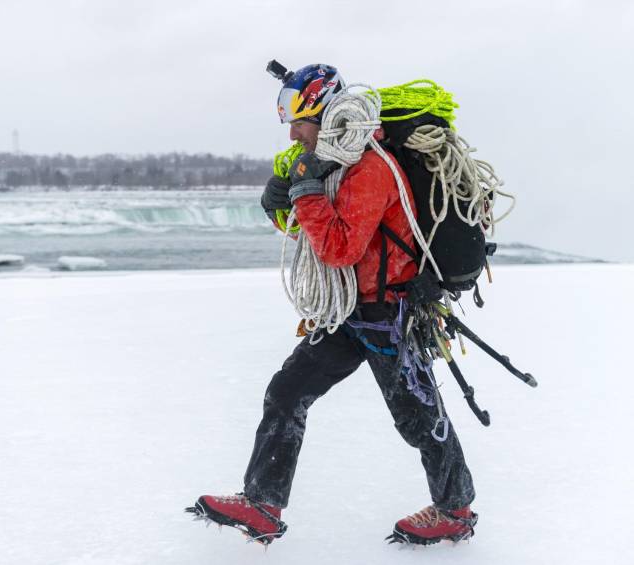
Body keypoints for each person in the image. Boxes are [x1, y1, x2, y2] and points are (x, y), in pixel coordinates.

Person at [188, 64, 477, 546]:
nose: (292, 131)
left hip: (387, 314)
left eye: (299, 120)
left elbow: (339, 247)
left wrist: (304, 192)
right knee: (286, 392)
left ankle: (455, 508)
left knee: (417, 415)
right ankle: (262, 503)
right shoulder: (334, 164)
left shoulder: (370, 168)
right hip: (349, 312)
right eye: (288, 119)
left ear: (326, 114)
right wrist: (282, 203)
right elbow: (313, 233)